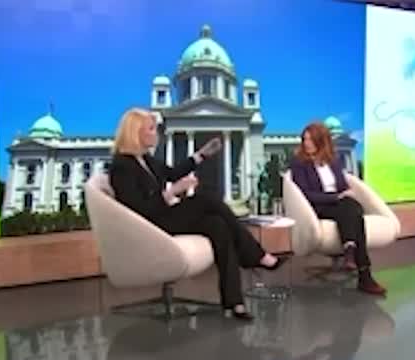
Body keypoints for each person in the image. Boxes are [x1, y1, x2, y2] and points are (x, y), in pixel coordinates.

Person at [108, 108, 286, 320]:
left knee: (218, 225)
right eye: (151, 128)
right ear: (135, 132)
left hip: (163, 216)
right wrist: (172, 192)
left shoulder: (145, 159)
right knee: (207, 199)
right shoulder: (122, 166)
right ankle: (255, 255)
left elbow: (172, 173)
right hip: (151, 226)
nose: (156, 133)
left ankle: (234, 302)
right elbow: (137, 210)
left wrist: (202, 154)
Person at [290, 122, 386, 295]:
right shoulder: (299, 163)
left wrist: (345, 194)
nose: (306, 143)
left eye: (311, 140)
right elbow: (306, 194)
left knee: (353, 208)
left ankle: (350, 250)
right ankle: (364, 274)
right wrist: (336, 197)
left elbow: (342, 185)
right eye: (304, 139)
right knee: (352, 211)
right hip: (318, 207)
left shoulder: (333, 161)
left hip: (339, 205)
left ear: (321, 141)